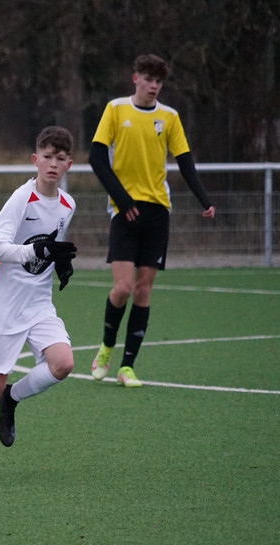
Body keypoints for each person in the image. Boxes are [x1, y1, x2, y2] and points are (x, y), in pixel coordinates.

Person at [0, 126, 78, 478]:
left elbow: (50, 245)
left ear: (69, 164)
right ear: (35, 160)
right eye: (47, 157)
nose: (53, 164)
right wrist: (35, 251)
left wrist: (60, 262)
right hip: (4, 305)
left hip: (38, 303)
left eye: (60, 158)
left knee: (63, 363)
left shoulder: (68, 204)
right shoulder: (22, 199)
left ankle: (13, 397)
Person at [89, 53, 216, 387]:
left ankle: (127, 367)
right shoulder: (116, 109)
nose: (153, 86)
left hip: (158, 211)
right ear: (135, 79)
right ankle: (106, 347)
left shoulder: (169, 117)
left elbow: (185, 162)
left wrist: (204, 200)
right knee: (122, 288)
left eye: (158, 81)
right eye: (148, 79)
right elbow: (96, 158)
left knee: (143, 290)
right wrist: (122, 199)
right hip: (123, 211)